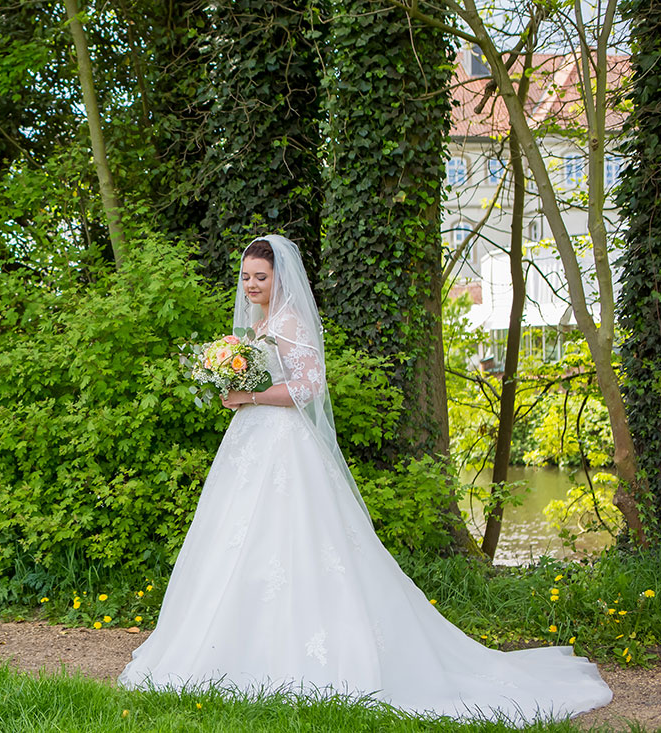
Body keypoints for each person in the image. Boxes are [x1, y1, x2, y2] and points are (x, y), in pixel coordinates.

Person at [118, 235, 612, 723]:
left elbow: (308, 386)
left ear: (279, 279)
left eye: (260, 277)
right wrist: (233, 384)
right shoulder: (257, 321)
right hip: (250, 443)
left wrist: (250, 397)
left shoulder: (288, 321)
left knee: (301, 538)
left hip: (284, 443)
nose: (250, 285)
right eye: (245, 277)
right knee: (237, 537)